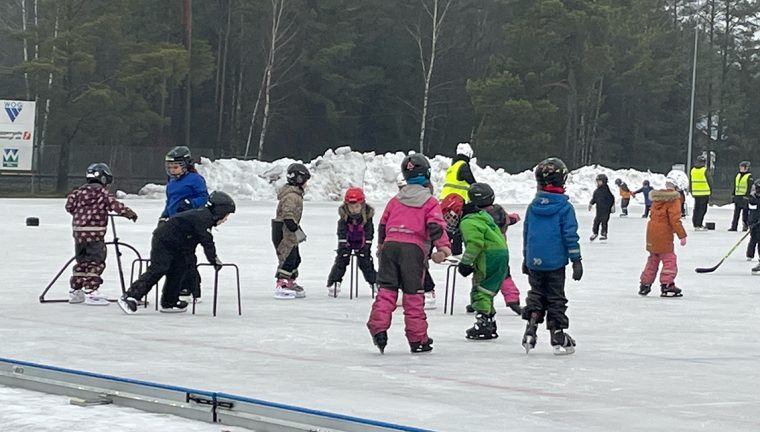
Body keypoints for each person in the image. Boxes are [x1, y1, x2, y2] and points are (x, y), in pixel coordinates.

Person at [367, 154, 451, 354]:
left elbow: (383, 224)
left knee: (387, 290)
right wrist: (443, 248)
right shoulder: (429, 202)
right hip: (412, 250)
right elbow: (435, 226)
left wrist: (380, 245)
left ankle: (378, 327)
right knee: (413, 295)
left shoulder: (395, 200)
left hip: (390, 246)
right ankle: (417, 339)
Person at [117, 191, 235, 314]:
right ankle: (131, 296)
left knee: (179, 269)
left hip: (179, 244)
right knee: (159, 268)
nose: (225, 219)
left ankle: (170, 301)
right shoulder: (203, 219)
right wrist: (214, 260)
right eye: (226, 216)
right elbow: (207, 242)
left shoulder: (203, 216)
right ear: (219, 211)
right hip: (164, 240)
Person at [522, 157, 582, 355]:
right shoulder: (565, 208)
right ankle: (557, 332)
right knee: (555, 297)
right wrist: (576, 260)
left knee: (537, 293)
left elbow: (527, 234)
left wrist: (526, 257)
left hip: (534, 260)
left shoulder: (533, 206)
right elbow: (570, 236)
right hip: (555, 262)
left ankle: (531, 327)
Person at [66, 163, 137, 305]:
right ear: (104, 179)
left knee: (82, 262)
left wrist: (80, 214)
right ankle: (91, 291)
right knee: (96, 261)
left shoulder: (78, 192)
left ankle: (76, 290)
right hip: (95, 234)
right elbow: (115, 205)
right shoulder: (102, 193)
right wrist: (129, 213)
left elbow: (69, 206)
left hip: (79, 234)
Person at [457, 183, 508, 340]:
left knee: (481, 289)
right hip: (501, 252)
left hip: (489, 255)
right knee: (488, 288)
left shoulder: (468, 222)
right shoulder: (482, 216)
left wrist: (465, 263)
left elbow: (475, 244)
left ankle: (483, 323)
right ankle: (490, 321)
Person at [160, 146, 209, 302]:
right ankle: (178, 285)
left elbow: (204, 197)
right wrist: (164, 216)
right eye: (170, 167)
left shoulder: (195, 179)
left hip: (189, 222)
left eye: (175, 167)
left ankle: (191, 288)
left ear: (186, 164)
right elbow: (170, 202)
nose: (172, 170)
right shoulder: (172, 181)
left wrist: (190, 203)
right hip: (174, 223)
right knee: (175, 256)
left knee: (187, 255)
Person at [638, 178, 687, 297]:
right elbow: (674, 220)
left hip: (652, 231)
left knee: (653, 258)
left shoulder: (658, 197)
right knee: (669, 259)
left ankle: (645, 284)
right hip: (663, 232)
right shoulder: (674, 199)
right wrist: (682, 235)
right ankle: (667, 284)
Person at [326, 187, 377, 296]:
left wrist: (366, 245)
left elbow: (369, 233)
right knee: (341, 261)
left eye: (357, 206)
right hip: (347, 243)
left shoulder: (367, 217)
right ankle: (334, 282)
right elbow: (341, 232)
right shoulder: (343, 218)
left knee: (366, 263)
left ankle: (375, 283)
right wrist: (343, 245)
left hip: (362, 243)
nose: (354, 209)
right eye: (351, 207)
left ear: (362, 205)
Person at [272, 163, 311, 299]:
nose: (306, 184)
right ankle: (282, 284)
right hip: (284, 231)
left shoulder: (294, 194)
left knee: (295, 258)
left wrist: (296, 231)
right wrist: (296, 229)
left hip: (289, 232)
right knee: (288, 258)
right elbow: (288, 216)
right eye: (305, 180)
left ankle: (290, 281)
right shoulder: (291, 196)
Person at [439, 142, 476, 255]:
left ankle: (443, 247)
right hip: (457, 202)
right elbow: (472, 182)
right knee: (458, 227)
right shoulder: (463, 165)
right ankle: (456, 252)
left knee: (449, 226)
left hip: (447, 200)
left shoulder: (453, 166)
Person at [589, 173, 615, 241]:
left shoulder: (606, 190)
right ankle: (595, 233)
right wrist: (591, 203)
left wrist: (612, 206)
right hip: (599, 210)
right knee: (596, 222)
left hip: (606, 210)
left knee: (604, 222)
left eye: (599, 181)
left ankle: (604, 233)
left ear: (604, 182)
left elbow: (612, 198)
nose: (598, 183)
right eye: (597, 181)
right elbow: (594, 198)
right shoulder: (597, 191)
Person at [689, 154, 712, 230]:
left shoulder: (693, 170)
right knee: (702, 209)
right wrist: (711, 190)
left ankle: (695, 223)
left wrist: (691, 191)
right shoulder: (704, 170)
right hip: (704, 193)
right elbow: (710, 181)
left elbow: (690, 182)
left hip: (696, 193)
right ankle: (699, 224)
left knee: (696, 208)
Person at [729, 161, 753, 232]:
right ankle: (734, 226)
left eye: (742, 167)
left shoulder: (749, 176)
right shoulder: (738, 175)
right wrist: (733, 194)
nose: (740, 168)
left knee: (745, 213)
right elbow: (736, 186)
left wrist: (747, 196)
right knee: (736, 213)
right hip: (738, 196)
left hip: (744, 197)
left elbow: (750, 187)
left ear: (746, 168)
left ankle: (745, 226)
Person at [746, 179, 760, 270]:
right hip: (755, 224)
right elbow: (752, 212)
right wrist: (751, 223)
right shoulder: (753, 199)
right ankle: (750, 254)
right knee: (754, 239)